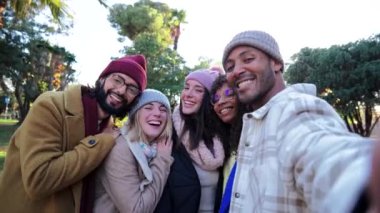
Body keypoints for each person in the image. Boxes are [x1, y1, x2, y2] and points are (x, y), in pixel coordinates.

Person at [221, 30, 374, 212]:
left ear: (276, 63)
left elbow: (319, 151)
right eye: (230, 68)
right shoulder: (256, 120)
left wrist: (361, 183)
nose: (236, 71)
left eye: (248, 59)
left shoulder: (294, 108)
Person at [0, 54, 148, 213]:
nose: (121, 90)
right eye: (117, 80)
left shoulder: (113, 131)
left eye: (132, 89)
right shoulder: (51, 106)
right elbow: (39, 179)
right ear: (102, 79)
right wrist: (100, 142)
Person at [155, 69, 224, 213]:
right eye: (186, 87)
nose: (188, 94)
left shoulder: (222, 136)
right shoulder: (168, 133)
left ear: (210, 98)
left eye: (198, 90)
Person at [94, 89, 173, 213]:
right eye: (148, 107)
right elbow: (136, 209)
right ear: (135, 114)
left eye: (163, 109)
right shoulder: (120, 148)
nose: (157, 113)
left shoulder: (154, 148)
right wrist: (162, 160)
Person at [209, 74, 251, 212]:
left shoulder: (254, 139)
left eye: (229, 94)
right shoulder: (223, 145)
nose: (220, 102)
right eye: (216, 99)